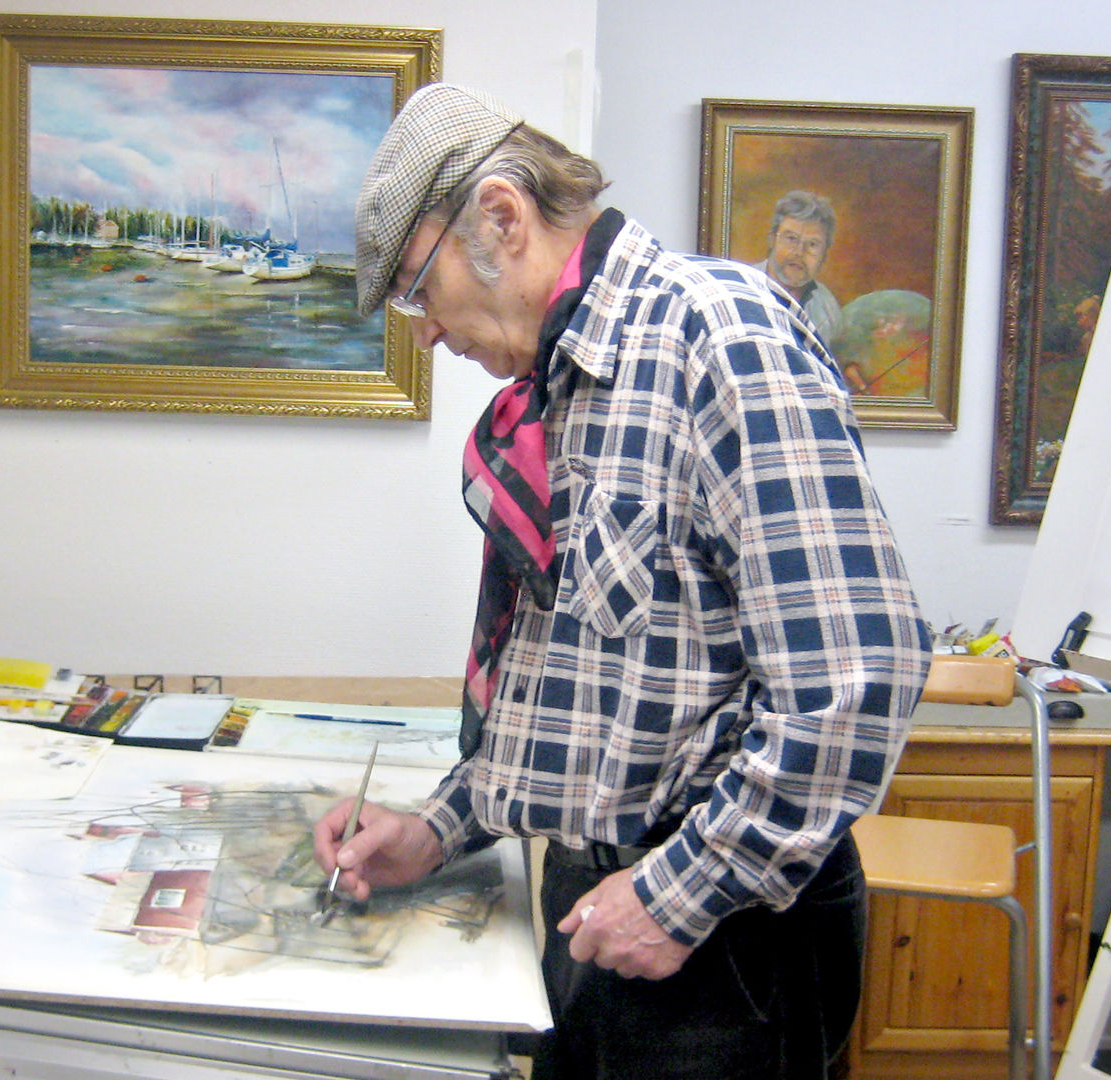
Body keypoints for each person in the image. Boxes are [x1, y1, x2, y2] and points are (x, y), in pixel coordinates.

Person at [319, 83, 931, 1080]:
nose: (422, 330)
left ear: (502, 218)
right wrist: (436, 829)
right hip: (603, 906)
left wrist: (678, 894)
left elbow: (857, 675)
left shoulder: (720, 336)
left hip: (725, 939)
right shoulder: (558, 391)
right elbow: (569, 696)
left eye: (416, 286)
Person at [755, 190, 845, 356]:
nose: (799, 252)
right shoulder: (742, 285)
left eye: (812, 244)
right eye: (791, 239)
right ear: (772, 240)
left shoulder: (827, 306)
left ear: (824, 255)